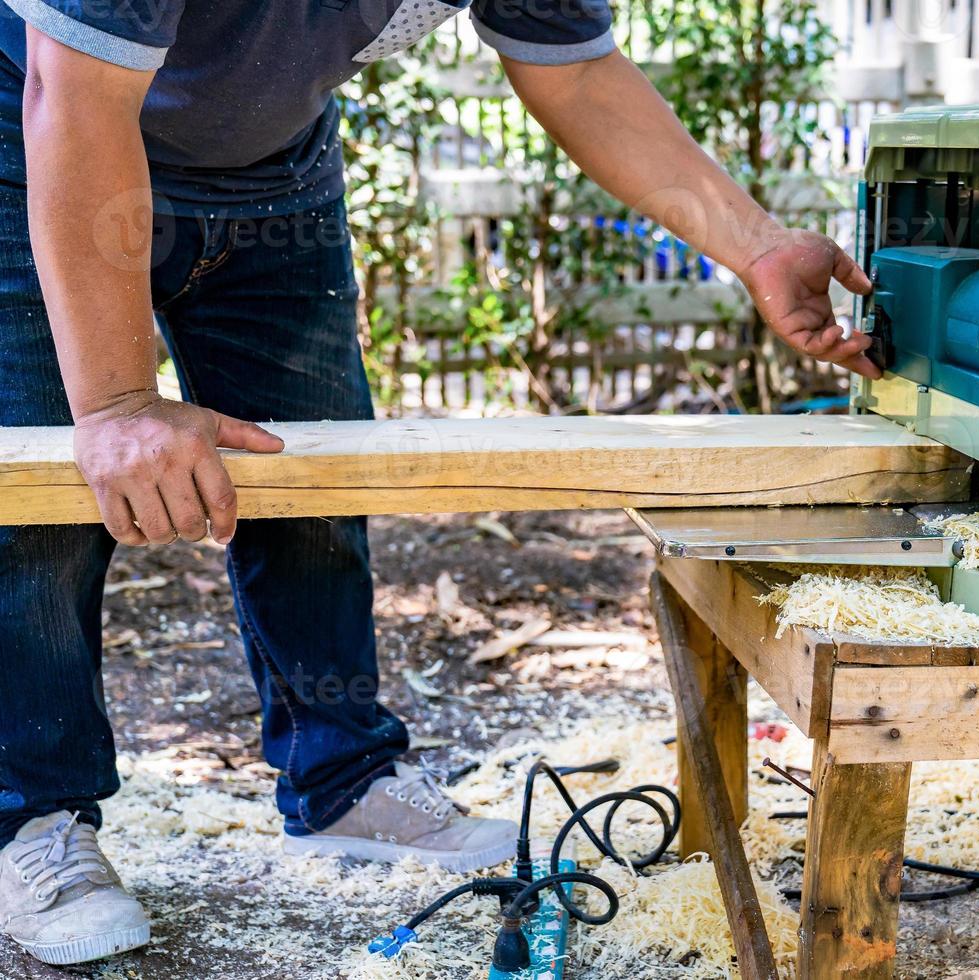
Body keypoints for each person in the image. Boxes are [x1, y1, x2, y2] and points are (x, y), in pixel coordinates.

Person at [0, 0, 879, 966]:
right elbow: (74, 89)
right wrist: (121, 403)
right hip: (34, 126)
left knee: (319, 477)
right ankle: (29, 819)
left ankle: (342, 783)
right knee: (37, 494)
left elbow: (577, 73)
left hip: (271, 168)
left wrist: (755, 244)